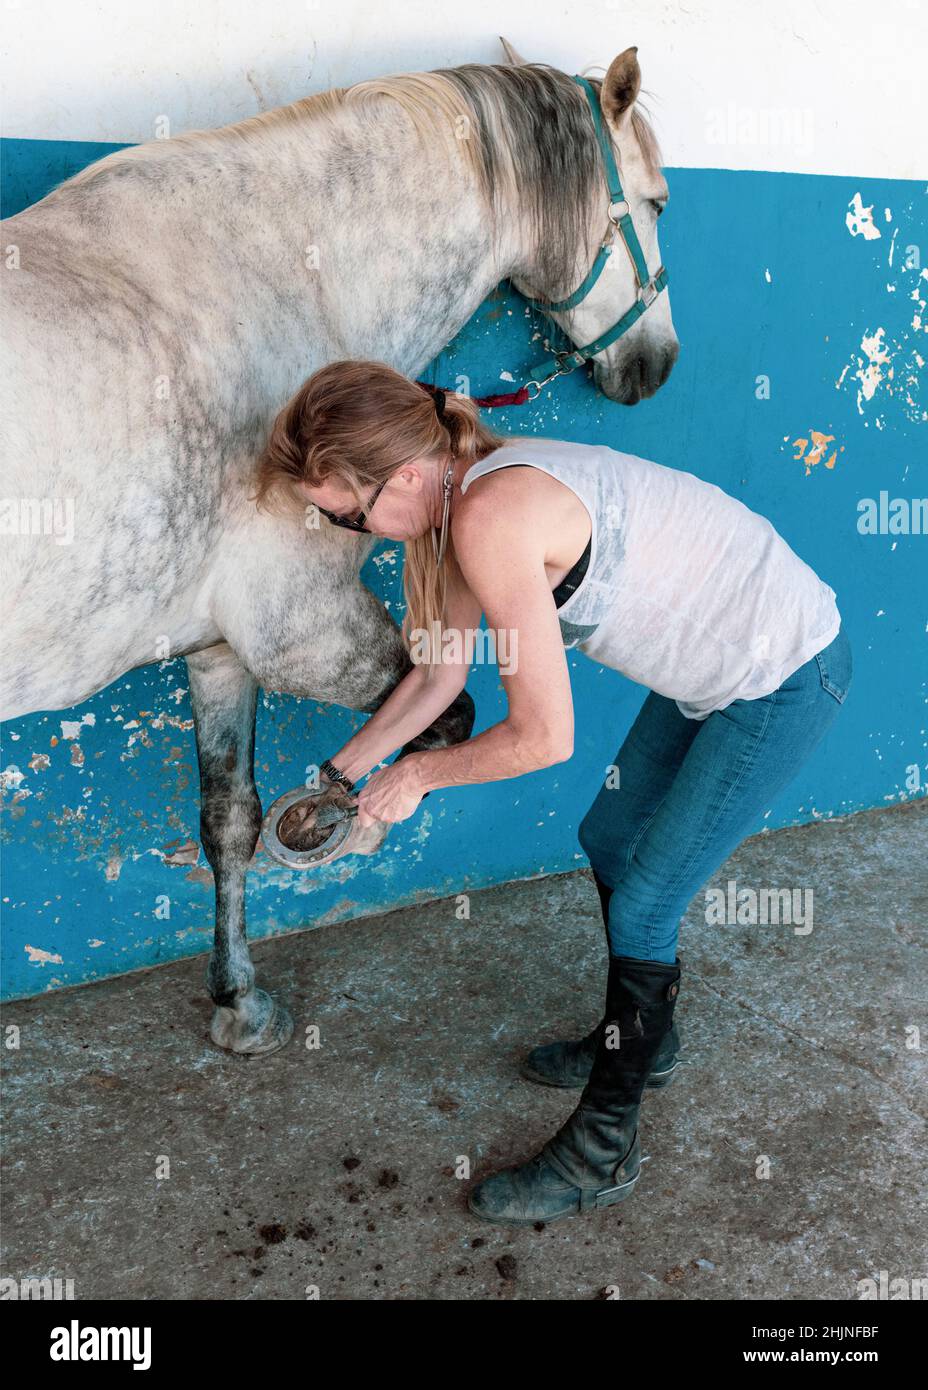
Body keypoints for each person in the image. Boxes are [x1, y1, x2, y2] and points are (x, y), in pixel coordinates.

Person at [255, 358, 852, 1227]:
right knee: (610, 838)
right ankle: (647, 1041)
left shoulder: (491, 514)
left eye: (345, 513)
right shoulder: (467, 499)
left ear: (407, 477)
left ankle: (603, 1147)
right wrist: (338, 784)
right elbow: (436, 679)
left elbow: (544, 738)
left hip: (782, 673)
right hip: (716, 672)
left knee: (644, 906)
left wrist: (417, 775)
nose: (350, 531)